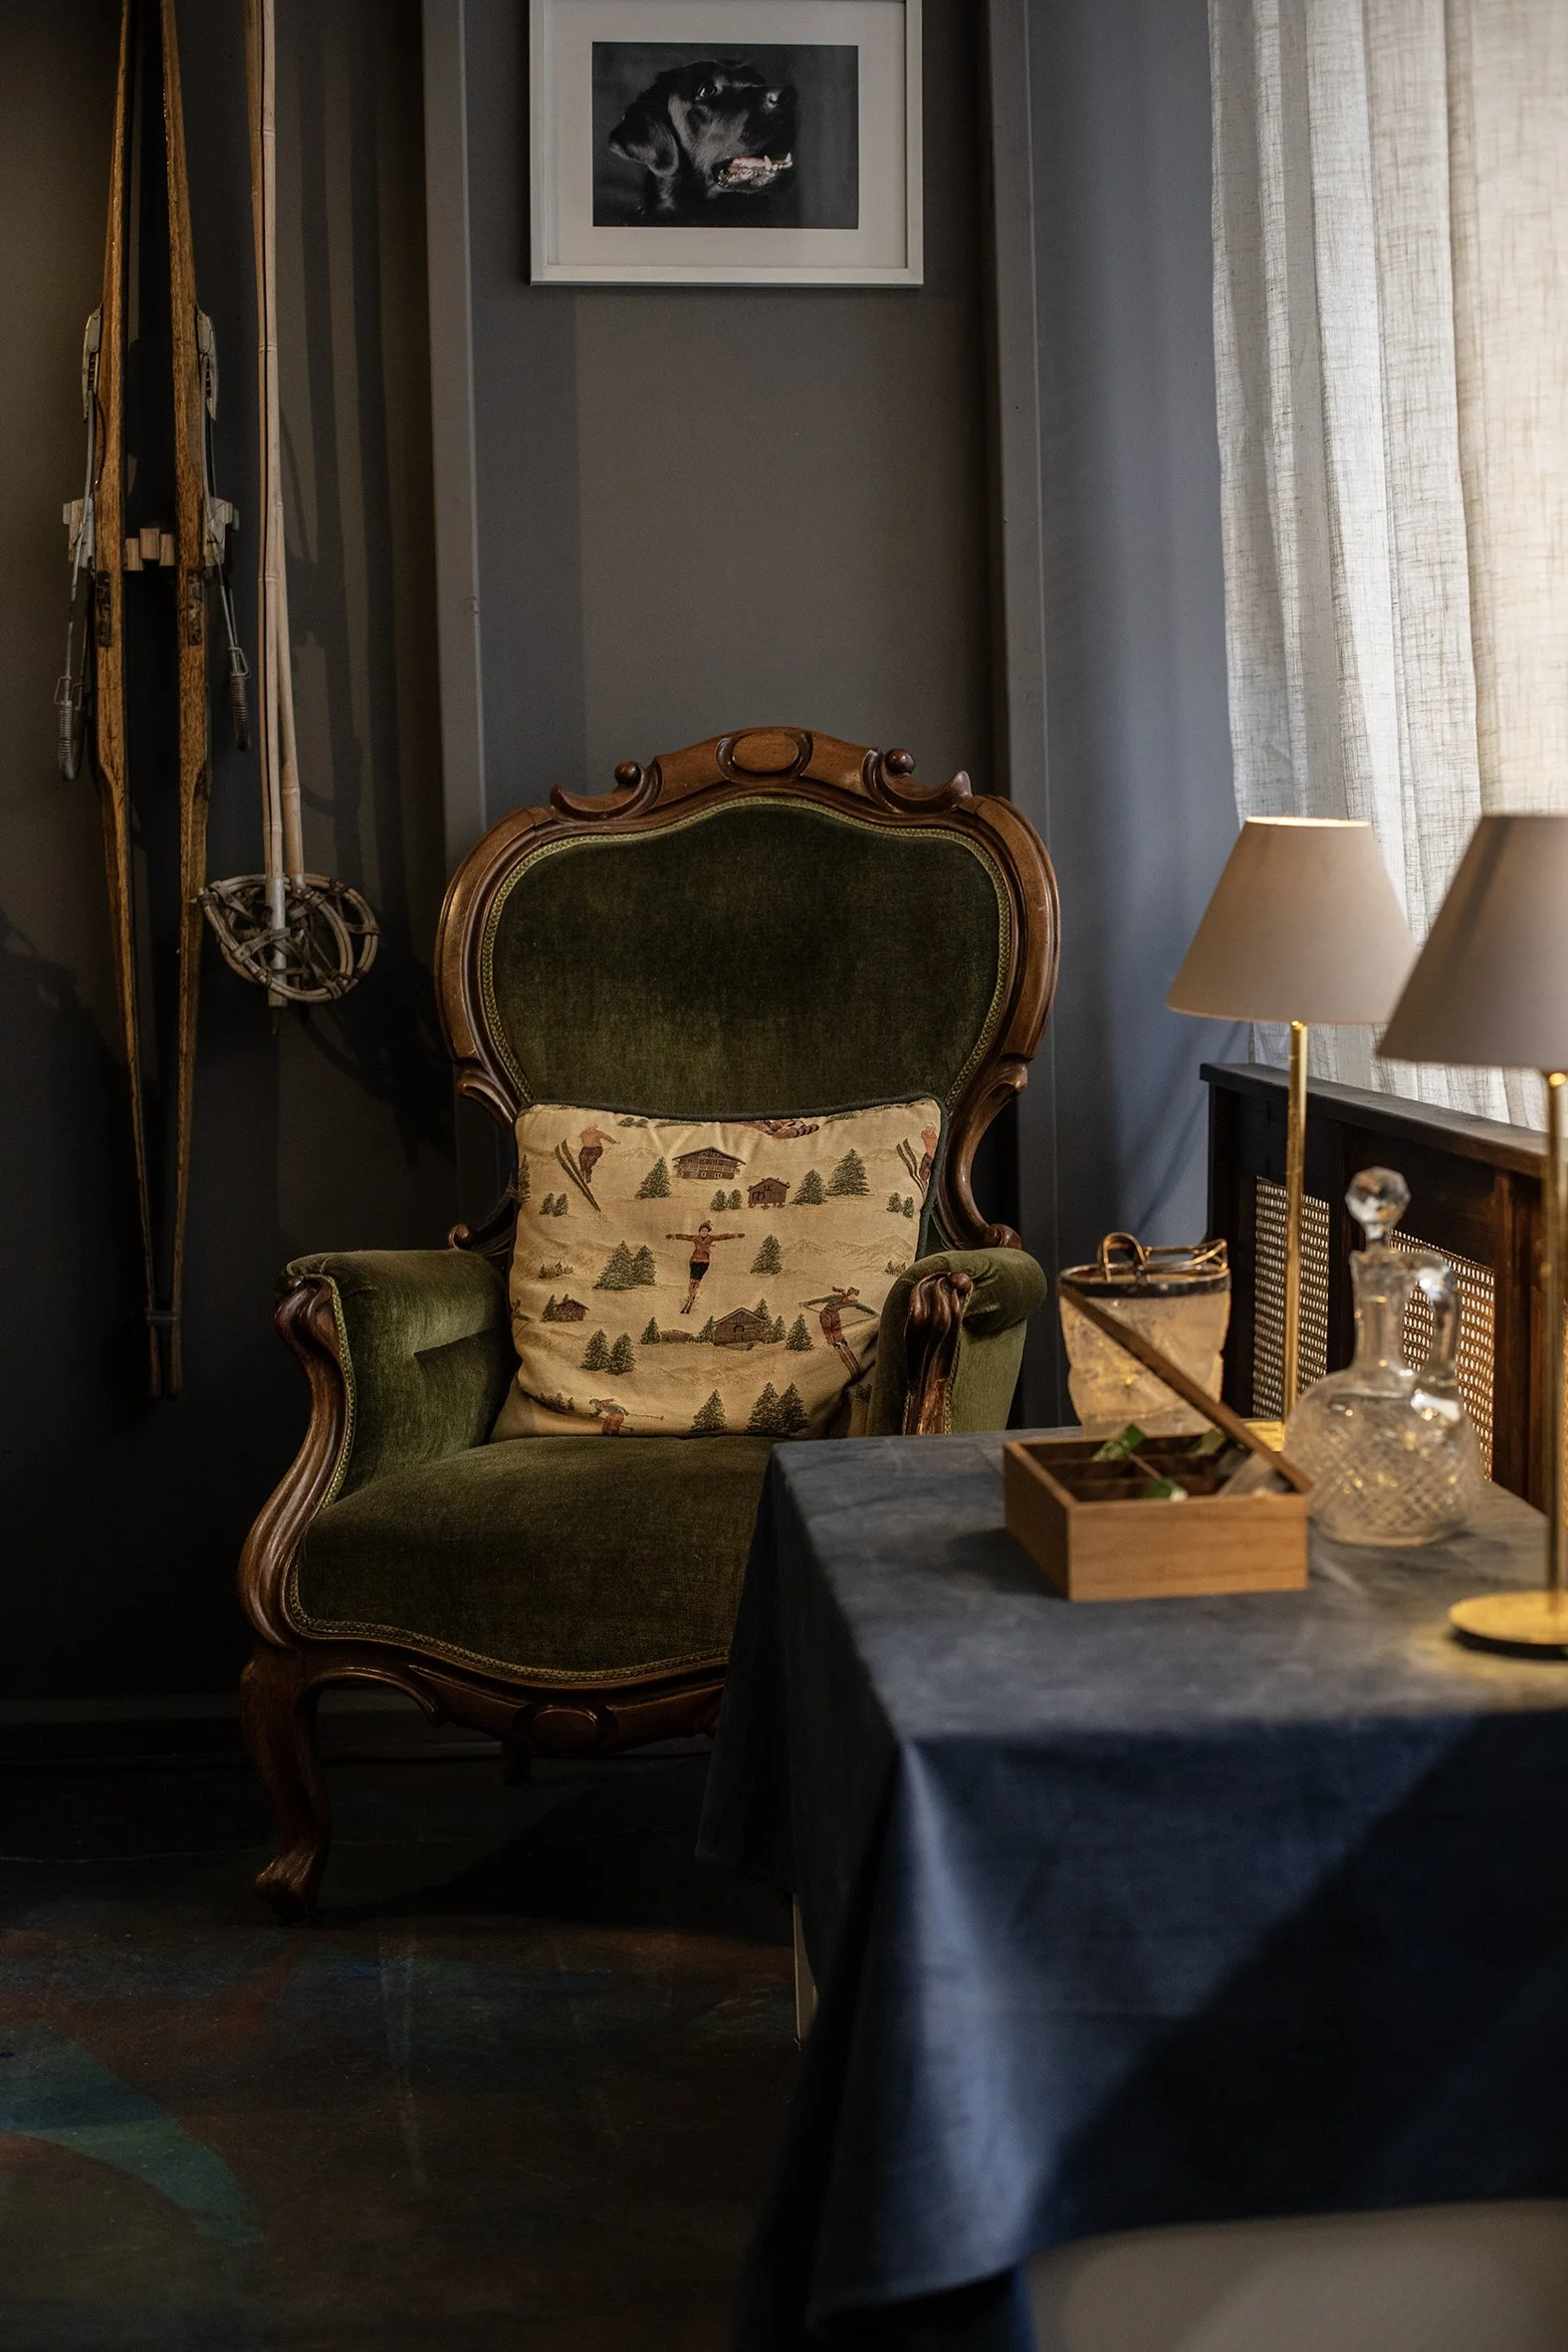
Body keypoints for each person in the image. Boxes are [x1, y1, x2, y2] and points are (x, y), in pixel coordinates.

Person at [667, 1220, 745, 1313]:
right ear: (700, 1231)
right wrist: (672, 1236)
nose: (704, 1232)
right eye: (702, 1230)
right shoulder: (696, 1238)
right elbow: (684, 1236)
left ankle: (693, 1295)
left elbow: (723, 1236)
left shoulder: (710, 1238)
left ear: (708, 1232)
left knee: (697, 1279)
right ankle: (690, 1295)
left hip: (704, 1262)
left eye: (706, 1231)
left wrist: (736, 1235)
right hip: (694, 1261)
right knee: (692, 1279)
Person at [802, 1285, 876, 1375]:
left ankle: (841, 1340)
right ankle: (833, 1343)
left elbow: (863, 1307)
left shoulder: (853, 1302)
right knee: (828, 1329)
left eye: (854, 1296)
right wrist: (808, 1303)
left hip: (834, 1314)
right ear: (848, 1295)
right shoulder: (837, 1297)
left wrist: (874, 1313)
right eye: (852, 1295)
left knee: (836, 1328)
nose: (853, 1298)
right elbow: (822, 1299)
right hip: (825, 1313)